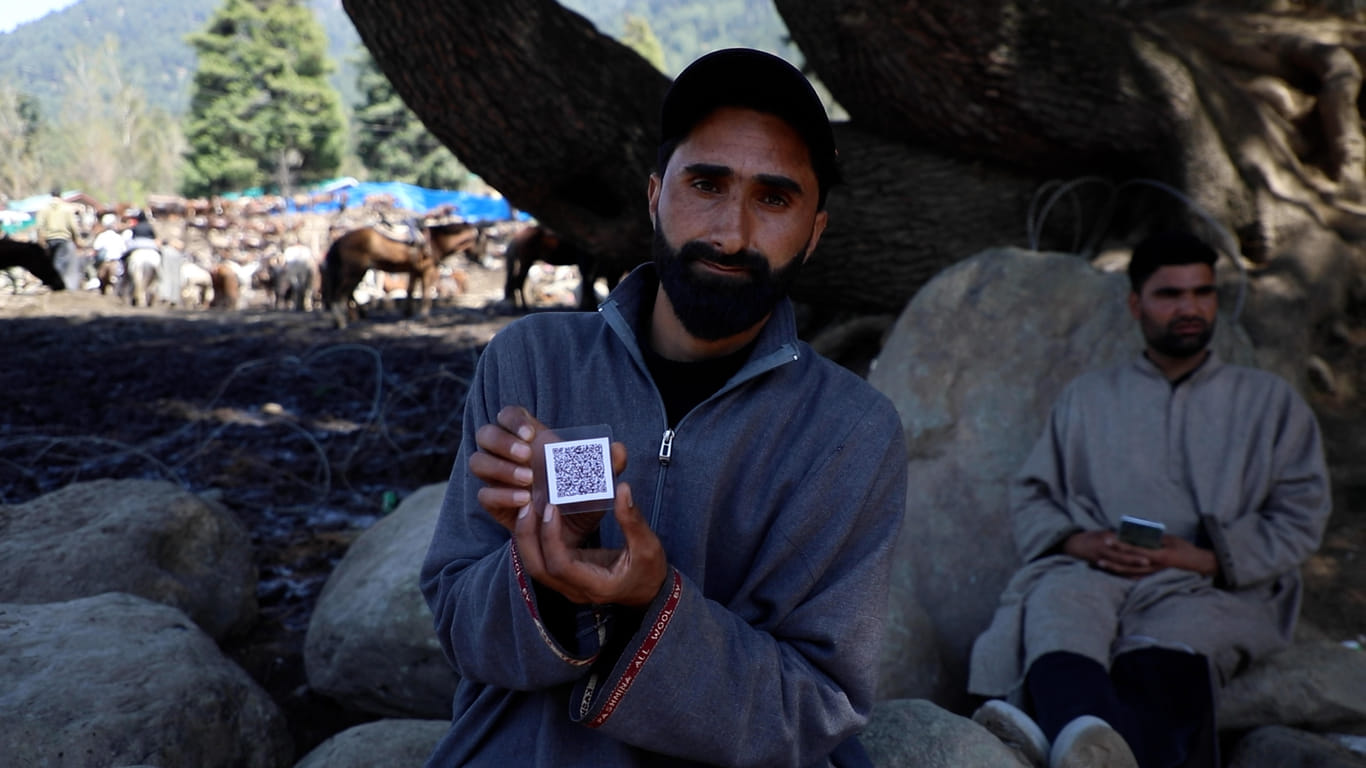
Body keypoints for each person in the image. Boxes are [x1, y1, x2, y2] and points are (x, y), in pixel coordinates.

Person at [420, 48, 908, 767]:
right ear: (654, 195)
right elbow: (461, 627)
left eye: (774, 198)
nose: (731, 232)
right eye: (706, 183)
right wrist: (549, 577)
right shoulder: (531, 361)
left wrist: (651, 607)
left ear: (815, 230)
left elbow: (814, 707)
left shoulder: (851, 433)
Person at [966, 231, 1332, 768]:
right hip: (1096, 571)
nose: (1189, 307)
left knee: (1167, 646)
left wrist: (1204, 557)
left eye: (1201, 292)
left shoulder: (1267, 402)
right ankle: (1080, 741)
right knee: (1056, 611)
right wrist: (1080, 540)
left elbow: (1301, 513)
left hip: (1206, 583)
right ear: (1136, 304)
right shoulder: (1089, 398)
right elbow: (1034, 493)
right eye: (1169, 294)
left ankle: (1075, 747)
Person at [34, 186, 84, 291]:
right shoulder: (67, 208)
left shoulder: (44, 208)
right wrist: (77, 239)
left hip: (49, 239)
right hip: (63, 238)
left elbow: (39, 226)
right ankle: (57, 283)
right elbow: (73, 226)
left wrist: (40, 239)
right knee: (61, 261)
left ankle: (53, 282)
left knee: (53, 261)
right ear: (60, 195)